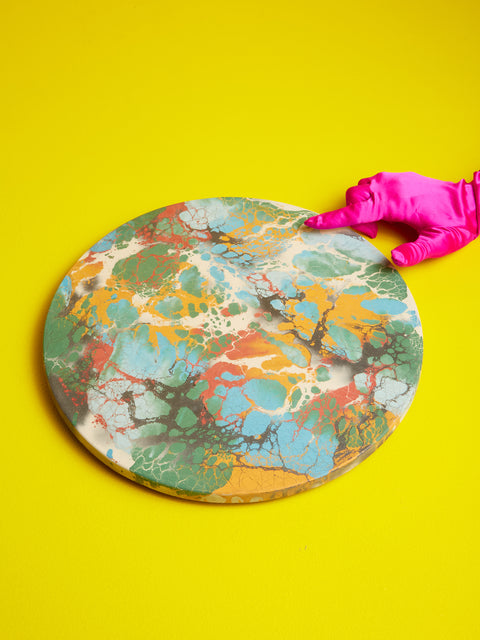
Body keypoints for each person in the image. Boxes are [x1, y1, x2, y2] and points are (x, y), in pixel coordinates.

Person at [304, 171, 480, 266]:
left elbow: (425, 248)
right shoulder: (460, 227)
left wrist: (417, 251)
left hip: (465, 219)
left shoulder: (459, 228)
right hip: (463, 206)